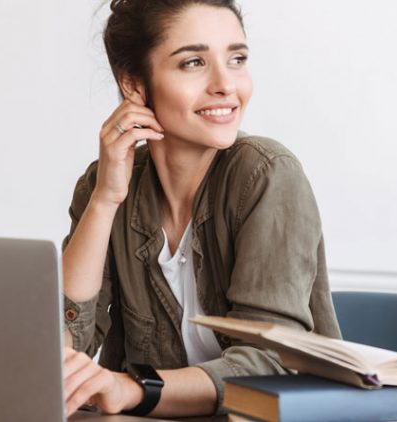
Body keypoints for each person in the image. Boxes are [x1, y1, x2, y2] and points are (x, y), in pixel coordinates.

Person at [60, 0, 341, 417]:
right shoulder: (106, 185)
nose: (226, 85)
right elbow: (62, 353)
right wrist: (104, 201)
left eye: (237, 59)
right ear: (134, 86)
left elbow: (272, 363)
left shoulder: (266, 174)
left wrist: (135, 388)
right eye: (193, 62)